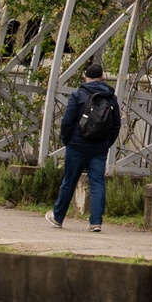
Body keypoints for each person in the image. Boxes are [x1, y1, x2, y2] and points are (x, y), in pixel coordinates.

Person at [49, 60, 120, 231]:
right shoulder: (111, 98)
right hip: (99, 148)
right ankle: (96, 222)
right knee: (97, 183)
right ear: (102, 78)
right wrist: (106, 143)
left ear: (84, 77)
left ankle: (58, 217)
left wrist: (67, 140)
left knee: (69, 181)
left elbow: (67, 121)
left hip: (77, 146)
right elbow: (116, 124)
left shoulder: (78, 95)